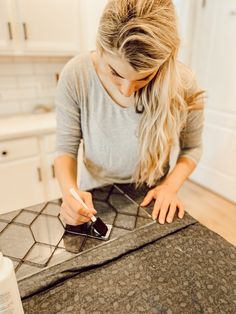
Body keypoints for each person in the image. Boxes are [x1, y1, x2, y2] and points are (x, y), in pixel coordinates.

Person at [54, 0, 204, 227]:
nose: (126, 90)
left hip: (151, 200)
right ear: (100, 47)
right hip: (94, 199)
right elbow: (65, 148)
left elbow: (192, 148)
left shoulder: (183, 83)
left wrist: (170, 186)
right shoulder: (76, 75)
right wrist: (70, 193)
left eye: (144, 77)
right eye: (115, 72)